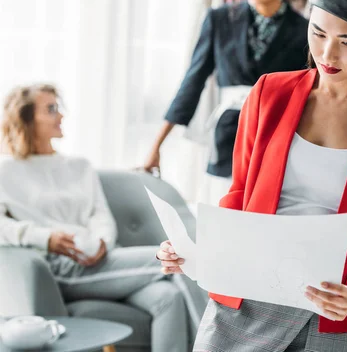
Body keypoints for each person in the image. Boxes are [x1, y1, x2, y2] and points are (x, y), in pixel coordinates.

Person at [158, 0, 347, 352]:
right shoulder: (270, 92)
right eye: (317, 33)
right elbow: (238, 198)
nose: (328, 52)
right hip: (247, 294)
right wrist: (196, 250)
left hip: (331, 307)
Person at [0, 84, 202, 351]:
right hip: (65, 266)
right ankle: (220, 345)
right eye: (51, 109)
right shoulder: (7, 171)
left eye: (59, 108)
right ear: (25, 118)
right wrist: (45, 238)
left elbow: (100, 214)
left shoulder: (79, 166)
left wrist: (103, 242)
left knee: (168, 297)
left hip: (105, 259)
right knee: (181, 258)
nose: (61, 115)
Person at [144, 0, 309, 204]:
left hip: (280, 135)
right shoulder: (219, 20)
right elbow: (192, 82)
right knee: (221, 210)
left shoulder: (305, 30)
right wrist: (157, 145)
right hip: (229, 133)